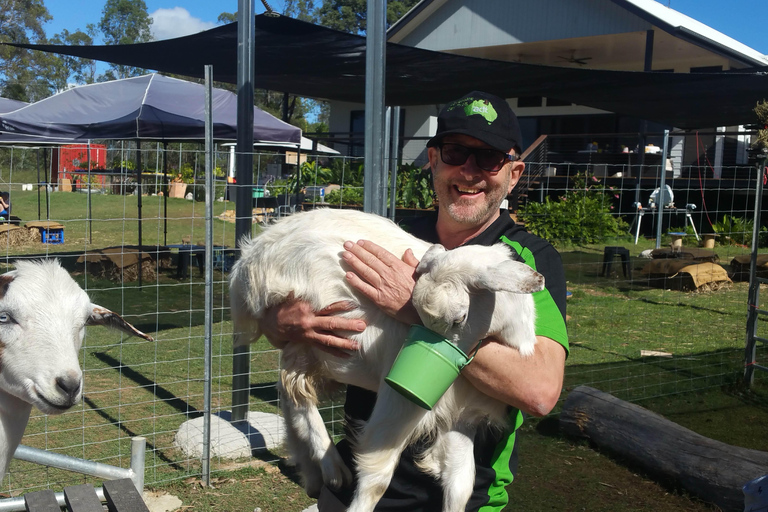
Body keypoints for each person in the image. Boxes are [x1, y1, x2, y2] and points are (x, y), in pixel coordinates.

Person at [260, 91, 569, 512]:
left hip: (453, 499)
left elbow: (539, 391)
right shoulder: (389, 236)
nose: (470, 171)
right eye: (457, 152)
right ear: (433, 160)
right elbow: (290, 319)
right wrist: (281, 323)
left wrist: (420, 310)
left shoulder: (525, 259)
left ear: (513, 174)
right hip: (354, 488)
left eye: (489, 159)